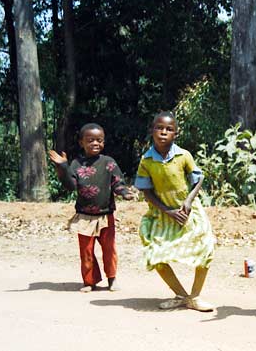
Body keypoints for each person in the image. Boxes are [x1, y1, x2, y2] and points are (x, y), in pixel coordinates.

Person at [135, 111, 215, 312]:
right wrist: (167, 211)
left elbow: (198, 179)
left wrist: (188, 202)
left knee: (205, 248)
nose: (163, 132)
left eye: (169, 129)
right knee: (156, 255)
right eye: (159, 128)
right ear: (152, 131)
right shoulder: (147, 161)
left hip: (188, 210)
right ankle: (181, 295)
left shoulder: (183, 155)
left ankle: (195, 297)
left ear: (175, 134)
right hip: (163, 212)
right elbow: (146, 191)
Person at [49, 123, 135, 292]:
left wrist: (125, 193)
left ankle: (112, 279)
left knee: (109, 249)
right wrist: (63, 167)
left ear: (103, 142)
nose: (95, 143)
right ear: (81, 142)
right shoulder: (76, 164)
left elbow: (118, 183)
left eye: (99, 140)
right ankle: (90, 281)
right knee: (86, 251)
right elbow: (70, 186)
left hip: (105, 215)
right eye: (90, 140)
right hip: (84, 216)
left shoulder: (108, 162)